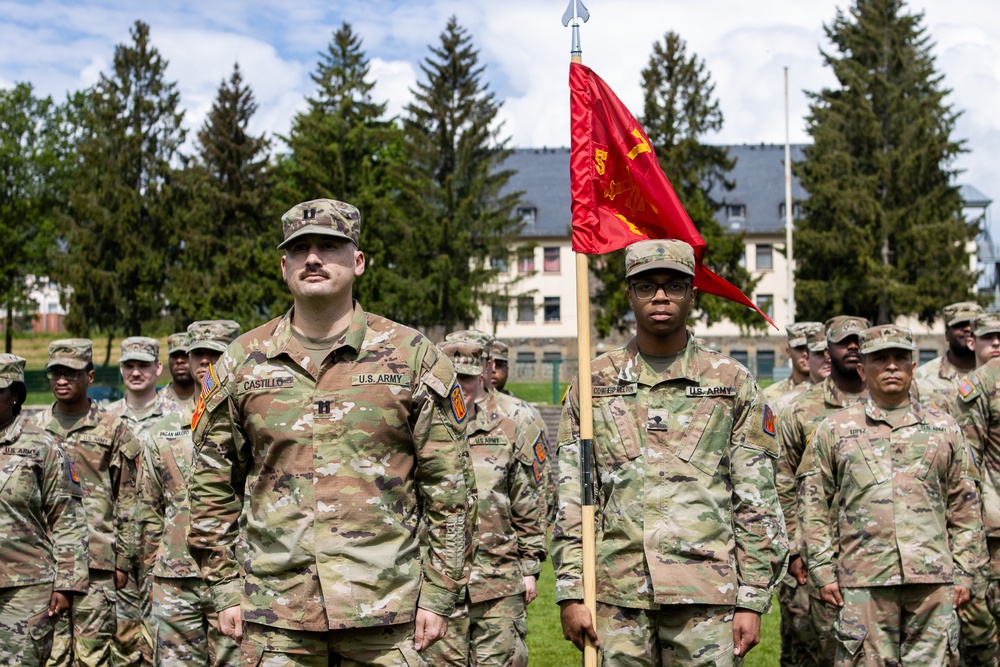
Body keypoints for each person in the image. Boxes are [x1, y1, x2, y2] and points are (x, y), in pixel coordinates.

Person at [186, 198, 477, 665]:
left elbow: (451, 489)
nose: (314, 258)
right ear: (285, 266)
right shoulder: (242, 362)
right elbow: (210, 485)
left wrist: (441, 593)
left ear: (358, 261)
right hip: (275, 617)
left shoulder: (412, 356)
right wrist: (222, 586)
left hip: (387, 613)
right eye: (300, 249)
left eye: (329, 245)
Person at [552, 239, 788, 666]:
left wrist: (752, 598)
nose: (660, 296)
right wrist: (571, 592)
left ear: (692, 295)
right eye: (646, 286)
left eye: (674, 285)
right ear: (629, 295)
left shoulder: (731, 383)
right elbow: (573, 500)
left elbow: (756, 501)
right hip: (617, 599)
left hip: (706, 597)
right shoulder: (592, 384)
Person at [799, 325, 985, 666]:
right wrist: (823, 571)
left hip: (933, 582)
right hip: (862, 582)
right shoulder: (835, 429)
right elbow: (812, 504)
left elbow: (966, 506)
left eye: (901, 358)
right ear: (862, 369)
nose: (891, 366)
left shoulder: (945, 428)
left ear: (914, 368)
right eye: (880, 358)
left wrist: (965, 572)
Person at [425, 340, 546, 667]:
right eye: (453, 378)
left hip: (498, 583)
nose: (461, 387)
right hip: (438, 588)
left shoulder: (506, 425)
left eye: (468, 379)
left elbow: (526, 502)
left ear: (482, 377)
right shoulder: (419, 429)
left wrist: (531, 566)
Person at [32, 338, 142, 667]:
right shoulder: (33, 429)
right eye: (55, 373)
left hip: (98, 563)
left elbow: (128, 498)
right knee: (50, 655)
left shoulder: (113, 428)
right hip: (46, 564)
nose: (62, 380)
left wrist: (123, 559)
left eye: (71, 373)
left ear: (90, 377)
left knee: (94, 655)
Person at [139, 323, 239, 666]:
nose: (205, 361)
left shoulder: (252, 426)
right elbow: (149, 510)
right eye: (199, 353)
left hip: (234, 575)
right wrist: (150, 573)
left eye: (216, 354)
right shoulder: (163, 431)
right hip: (174, 578)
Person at [776, 315, 870, 665]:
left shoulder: (890, 400)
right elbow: (782, 483)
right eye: (844, 342)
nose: (853, 348)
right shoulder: (799, 410)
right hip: (820, 554)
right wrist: (794, 551)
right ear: (827, 349)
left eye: (859, 341)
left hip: (879, 555)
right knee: (816, 652)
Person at [0, 354, 88, 666]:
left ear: (15, 395)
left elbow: (68, 519)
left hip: (25, 588)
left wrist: (66, 583)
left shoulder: (43, 447)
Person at [106, 336, 171, 667]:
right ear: (120, 369)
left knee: (164, 631)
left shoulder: (177, 417)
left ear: (157, 368)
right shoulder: (105, 419)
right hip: (118, 544)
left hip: (164, 543)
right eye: (129, 365)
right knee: (124, 632)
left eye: (143, 365)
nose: (136, 372)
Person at [917, 302, 982, 411]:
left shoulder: (993, 375)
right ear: (947, 334)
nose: (967, 329)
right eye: (959, 325)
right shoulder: (921, 377)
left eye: (972, 325)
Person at [762, 321, 821, 412]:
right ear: (788, 352)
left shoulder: (833, 392)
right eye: (800, 348)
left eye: (812, 348)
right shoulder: (769, 396)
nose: (806, 354)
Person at [158, 333, 196, 407]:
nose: (179, 360)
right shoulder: (157, 402)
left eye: (185, 355)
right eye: (174, 356)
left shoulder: (208, 400)